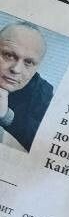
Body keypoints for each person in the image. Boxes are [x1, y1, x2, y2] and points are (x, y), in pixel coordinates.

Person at [0, 21, 53, 152]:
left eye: (29, 62)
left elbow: (40, 143)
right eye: (9, 55)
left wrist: (6, 115)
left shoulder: (43, 92)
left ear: (37, 67)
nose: (16, 69)